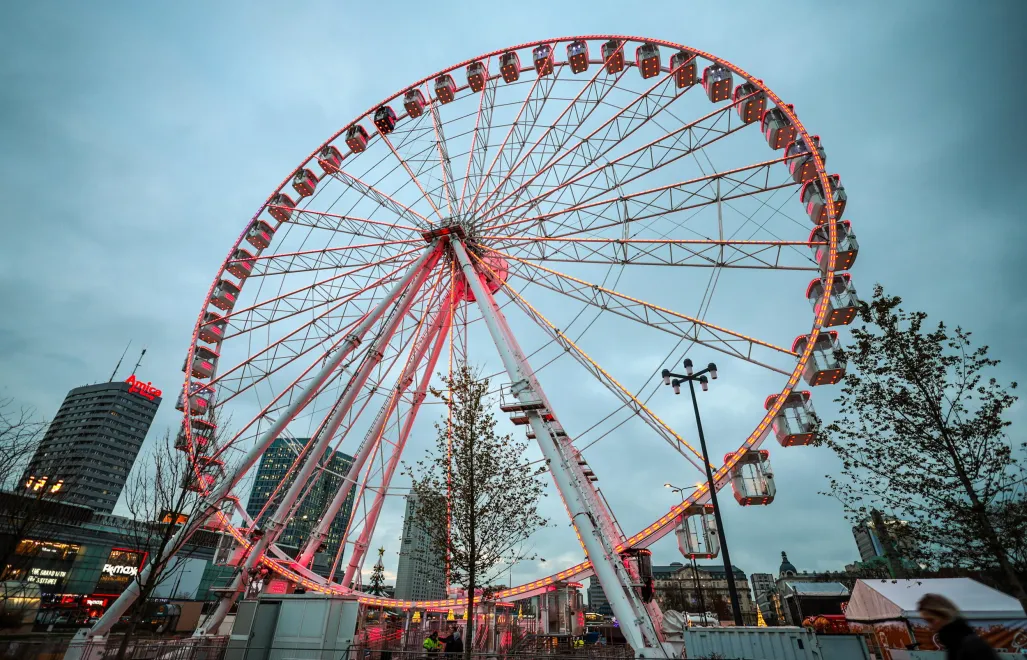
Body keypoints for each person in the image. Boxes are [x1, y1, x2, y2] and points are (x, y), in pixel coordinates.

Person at [917, 593, 999, 660]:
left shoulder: (971, 646)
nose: (930, 627)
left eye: (931, 620)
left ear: (945, 615)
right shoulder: (954, 646)